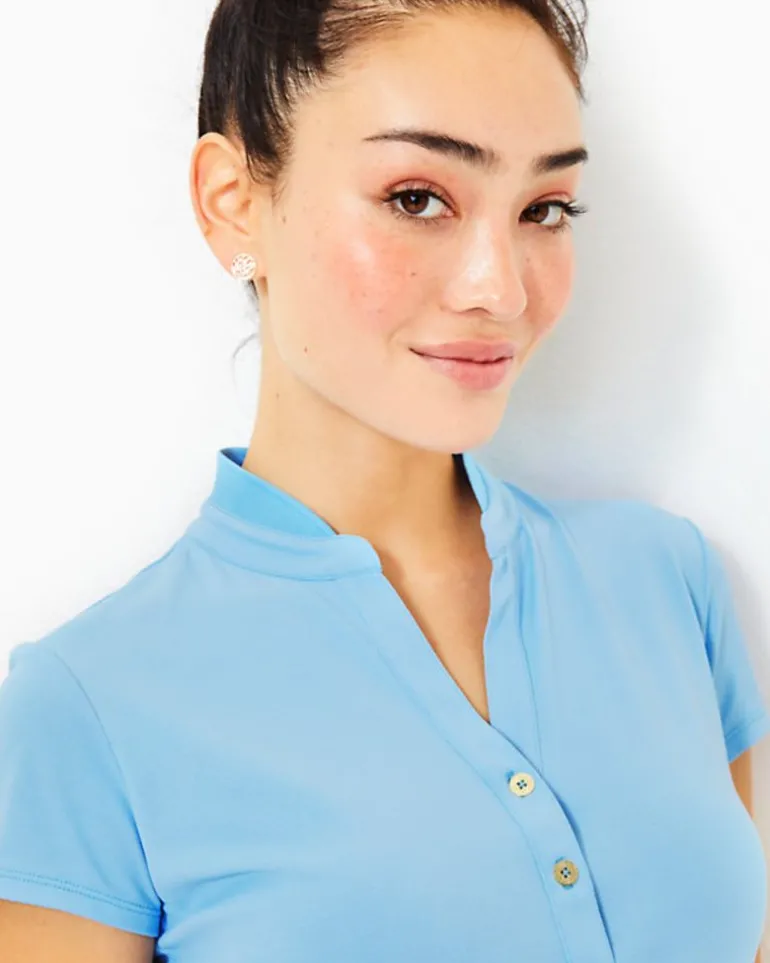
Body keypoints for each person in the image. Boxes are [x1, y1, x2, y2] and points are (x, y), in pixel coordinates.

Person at [2, 1, 769, 961]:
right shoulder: (88, 704)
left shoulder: (663, 581)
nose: (500, 288)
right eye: (416, 198)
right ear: (232, 201)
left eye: (544, 208)